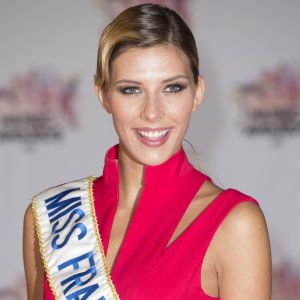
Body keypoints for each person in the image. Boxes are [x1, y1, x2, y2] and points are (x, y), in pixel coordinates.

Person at [23, 3, 272, 300]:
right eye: (131, 89)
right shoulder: (52, 216)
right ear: (103, 95)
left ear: (198, 92)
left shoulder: (235, 224)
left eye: (172, 88)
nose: (152, 113)